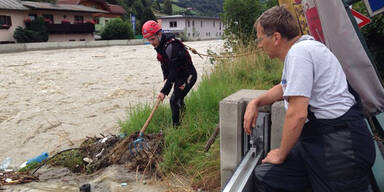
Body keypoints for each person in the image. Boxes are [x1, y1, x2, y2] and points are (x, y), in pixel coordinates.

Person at [243, 6, 375, 192]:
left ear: (276, 38)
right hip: (325, 141)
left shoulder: (300, 53)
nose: (258, 45)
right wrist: (255, 102)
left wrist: (281, 153)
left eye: (260, 38)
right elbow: (285, 87)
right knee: (269, 176)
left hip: (340, 149)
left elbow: (297, 115)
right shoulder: (304, 49)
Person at [142, 20, 197, 126]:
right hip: (178, 76)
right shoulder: (159, 46)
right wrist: (165, 78)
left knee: (174, 100)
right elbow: (163, 64)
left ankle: (177, 128)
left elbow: (173, 71)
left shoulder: (171, 47)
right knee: (178, 100)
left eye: (153, 39)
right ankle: (184, 122)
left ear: (159, 34)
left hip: (188, 75)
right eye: (149, 40)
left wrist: (164, 91)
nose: (152, 43)